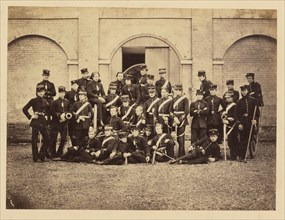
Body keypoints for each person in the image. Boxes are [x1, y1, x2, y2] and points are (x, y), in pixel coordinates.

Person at [22, 84, 50, 162]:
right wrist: (31, 116)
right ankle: (35, 157)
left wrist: (47, 116)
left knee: (47, 138)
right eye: (39, 92)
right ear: (37, 92)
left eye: (43, 91)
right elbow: (24, 109)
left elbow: (48, 110)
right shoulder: (33, 100)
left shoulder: (45, 101)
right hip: (36, 121)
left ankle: (42, 154)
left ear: (44, 92)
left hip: (43, 121)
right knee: (34, 140)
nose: (41, 93)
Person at [236, 85, 260, 162]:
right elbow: (236, 115)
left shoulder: (253, 100)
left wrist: (255, 120)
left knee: (248, 137)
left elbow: (257, 113)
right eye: (242, 91)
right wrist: (239, 123)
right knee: (243, 138)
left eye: (245, 90)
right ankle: (242, 155)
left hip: (250, 121)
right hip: (242, 122)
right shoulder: (239, 102)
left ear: (247, 91)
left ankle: (243, 154)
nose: (243, 92)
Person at [49, 86, 71, 158]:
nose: (62, 94)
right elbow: (52, 112)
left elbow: (69, 111)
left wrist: (65, 117)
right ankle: (53, 153)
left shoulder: (67, 102)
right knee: (53, 138)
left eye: (64, 93)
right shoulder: (54, 102)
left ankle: (60, 152)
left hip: (64, 123)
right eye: (61, 93)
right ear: (59, 93)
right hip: (56, 123)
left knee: (63, 138)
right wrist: (59, 116)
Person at [170, 83, 189, 157]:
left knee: (181, 139)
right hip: (174, 120)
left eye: (179, 90)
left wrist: (180, 120)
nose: (177, 92)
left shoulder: (185, 99)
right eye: (176, 90)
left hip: (182, 120)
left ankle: (181, 156)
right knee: (175, 138)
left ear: (181, 91)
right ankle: (174, 155)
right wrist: (174, 117)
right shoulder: (173, 99)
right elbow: (170, 110)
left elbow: (187, 111)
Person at [221, 91, 239, 160]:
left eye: (229, 98)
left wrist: (227, 119)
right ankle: (232, 155)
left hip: (233, 125)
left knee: (234, 140)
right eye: (226, 98)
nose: (227, 99)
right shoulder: (227, 106)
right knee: (230, 141)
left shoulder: (234, 106)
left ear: (232, 98)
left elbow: (234, 117)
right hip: (228, 125)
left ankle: (236, 155)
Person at [65, 80, 79, 146]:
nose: (75, 86)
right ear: (71, 86)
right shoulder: (68, 93)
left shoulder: (80, 93)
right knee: (71, 131)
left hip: (78, 113)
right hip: (71, 113)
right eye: (73, 85)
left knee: (77, 130)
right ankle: (72, 146)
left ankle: (76, 145)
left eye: (76, 85)